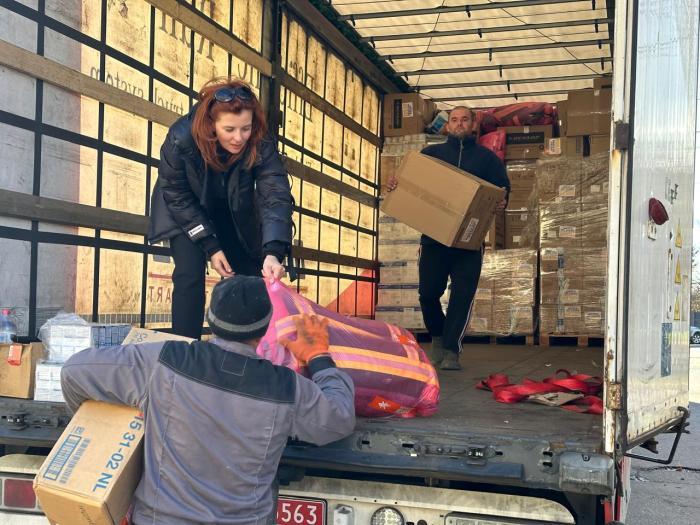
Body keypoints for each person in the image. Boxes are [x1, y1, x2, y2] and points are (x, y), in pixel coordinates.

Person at [60, 275, 355, 525]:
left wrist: (112, 430)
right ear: (266, 328)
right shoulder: (285, 387)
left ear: (209, 319)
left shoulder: (163, 361)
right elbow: (338, 419)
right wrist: (318, 356)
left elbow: (74, 372)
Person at [148, 78, 294, 339]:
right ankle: (185, 347)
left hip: (229, 206)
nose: (239, 138)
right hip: (184, 207)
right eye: (229, 129)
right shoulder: (181, 138)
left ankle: (249, 347)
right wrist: (211, 246)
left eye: (245, 128)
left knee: (251, 273)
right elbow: (176, 194)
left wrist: (273, 252)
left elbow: (275, 194)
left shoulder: (261, 141)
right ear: (211, 124)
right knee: (189, 273)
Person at [387, 106, 510, 371]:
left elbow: (502, 190)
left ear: (473, 124)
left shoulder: (488, 160)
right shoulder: (431, 155)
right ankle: (438, 336)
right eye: (454, 120)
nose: (459, 124)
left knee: (462, 296)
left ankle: (452, 350)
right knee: (428, 294)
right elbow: (408, 183)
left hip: (469, 242)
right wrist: (396, 185)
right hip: (433, 239)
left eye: (465, 119)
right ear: (447, 126)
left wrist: (502, 201)